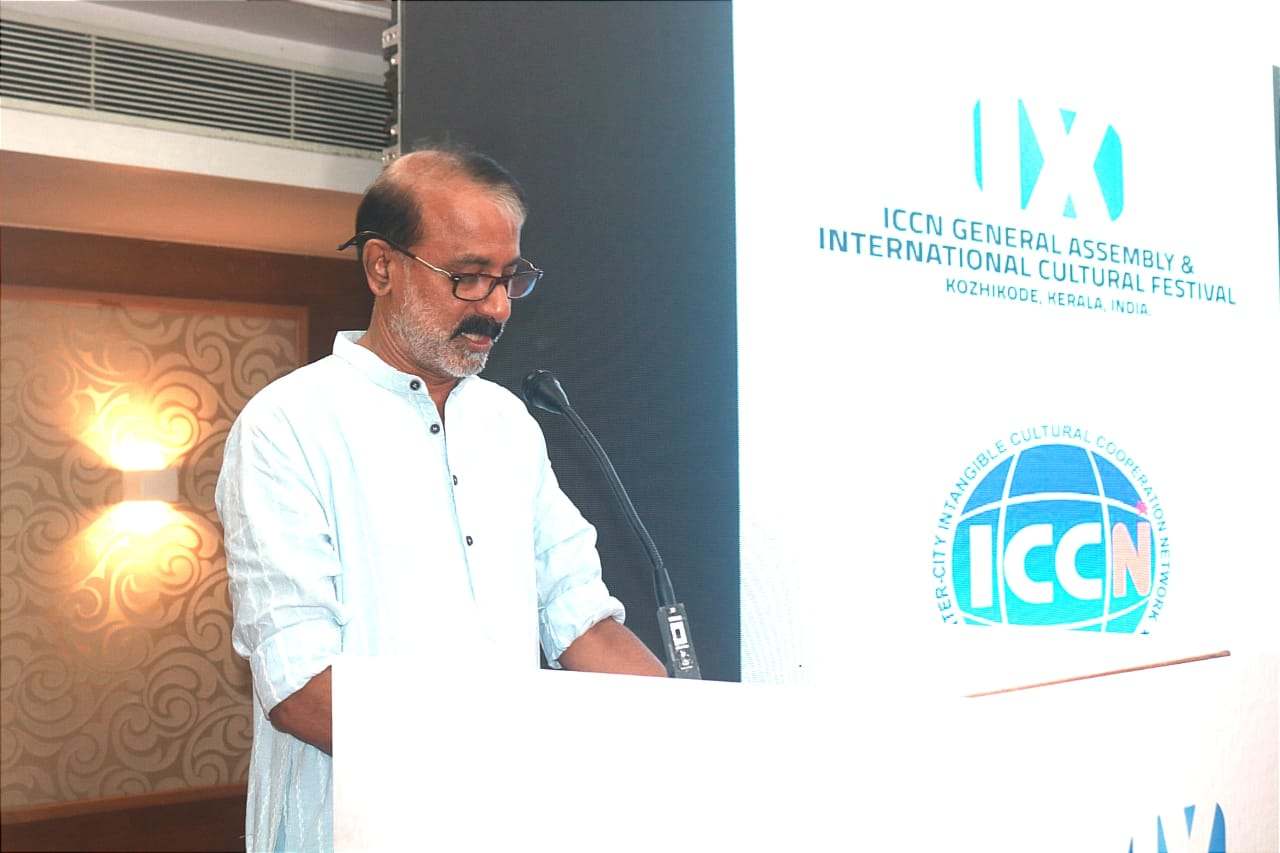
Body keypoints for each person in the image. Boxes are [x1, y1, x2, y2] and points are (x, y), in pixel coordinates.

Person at [215, 145, 665, 852]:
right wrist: (497, 768)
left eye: (508, 278)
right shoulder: (288, 425)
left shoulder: (508, 423)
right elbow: (299, 685)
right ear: (381, 267)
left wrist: (682, 732)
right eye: (468, 278)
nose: (496, 306)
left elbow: (578, 615)